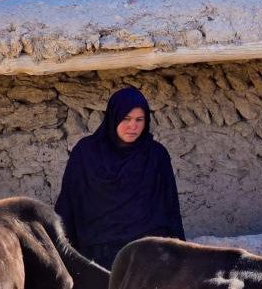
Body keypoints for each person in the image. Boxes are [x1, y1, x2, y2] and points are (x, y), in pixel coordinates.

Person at [55, 86, 185, 269]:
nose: (133, 126)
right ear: (113, 117)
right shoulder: (86, 154)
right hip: (96, 257)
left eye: (140, 119)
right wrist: (61, 252)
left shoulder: (156, 155)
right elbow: (68, 205)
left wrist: (180, 256)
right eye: (126, 118)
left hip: (147, 256)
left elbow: (170, 208)